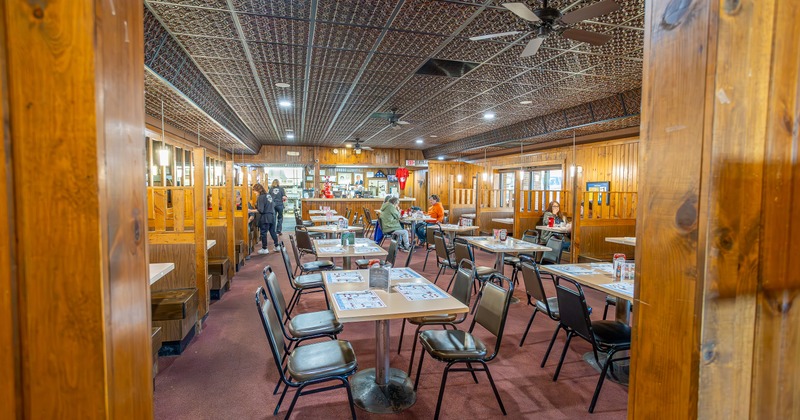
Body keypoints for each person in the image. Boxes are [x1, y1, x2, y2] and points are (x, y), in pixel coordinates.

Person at [254, 183, 279, 254]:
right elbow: (273, 204)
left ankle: (264, 248)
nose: (255, 193)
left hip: (265, 217)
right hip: (272, 215)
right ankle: (277, 246)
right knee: (272, 231)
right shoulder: (268, 195)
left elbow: (260, 210)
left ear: (258, 190)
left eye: (255, 191)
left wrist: (250, 210)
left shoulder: (261, 197)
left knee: (263, 233)